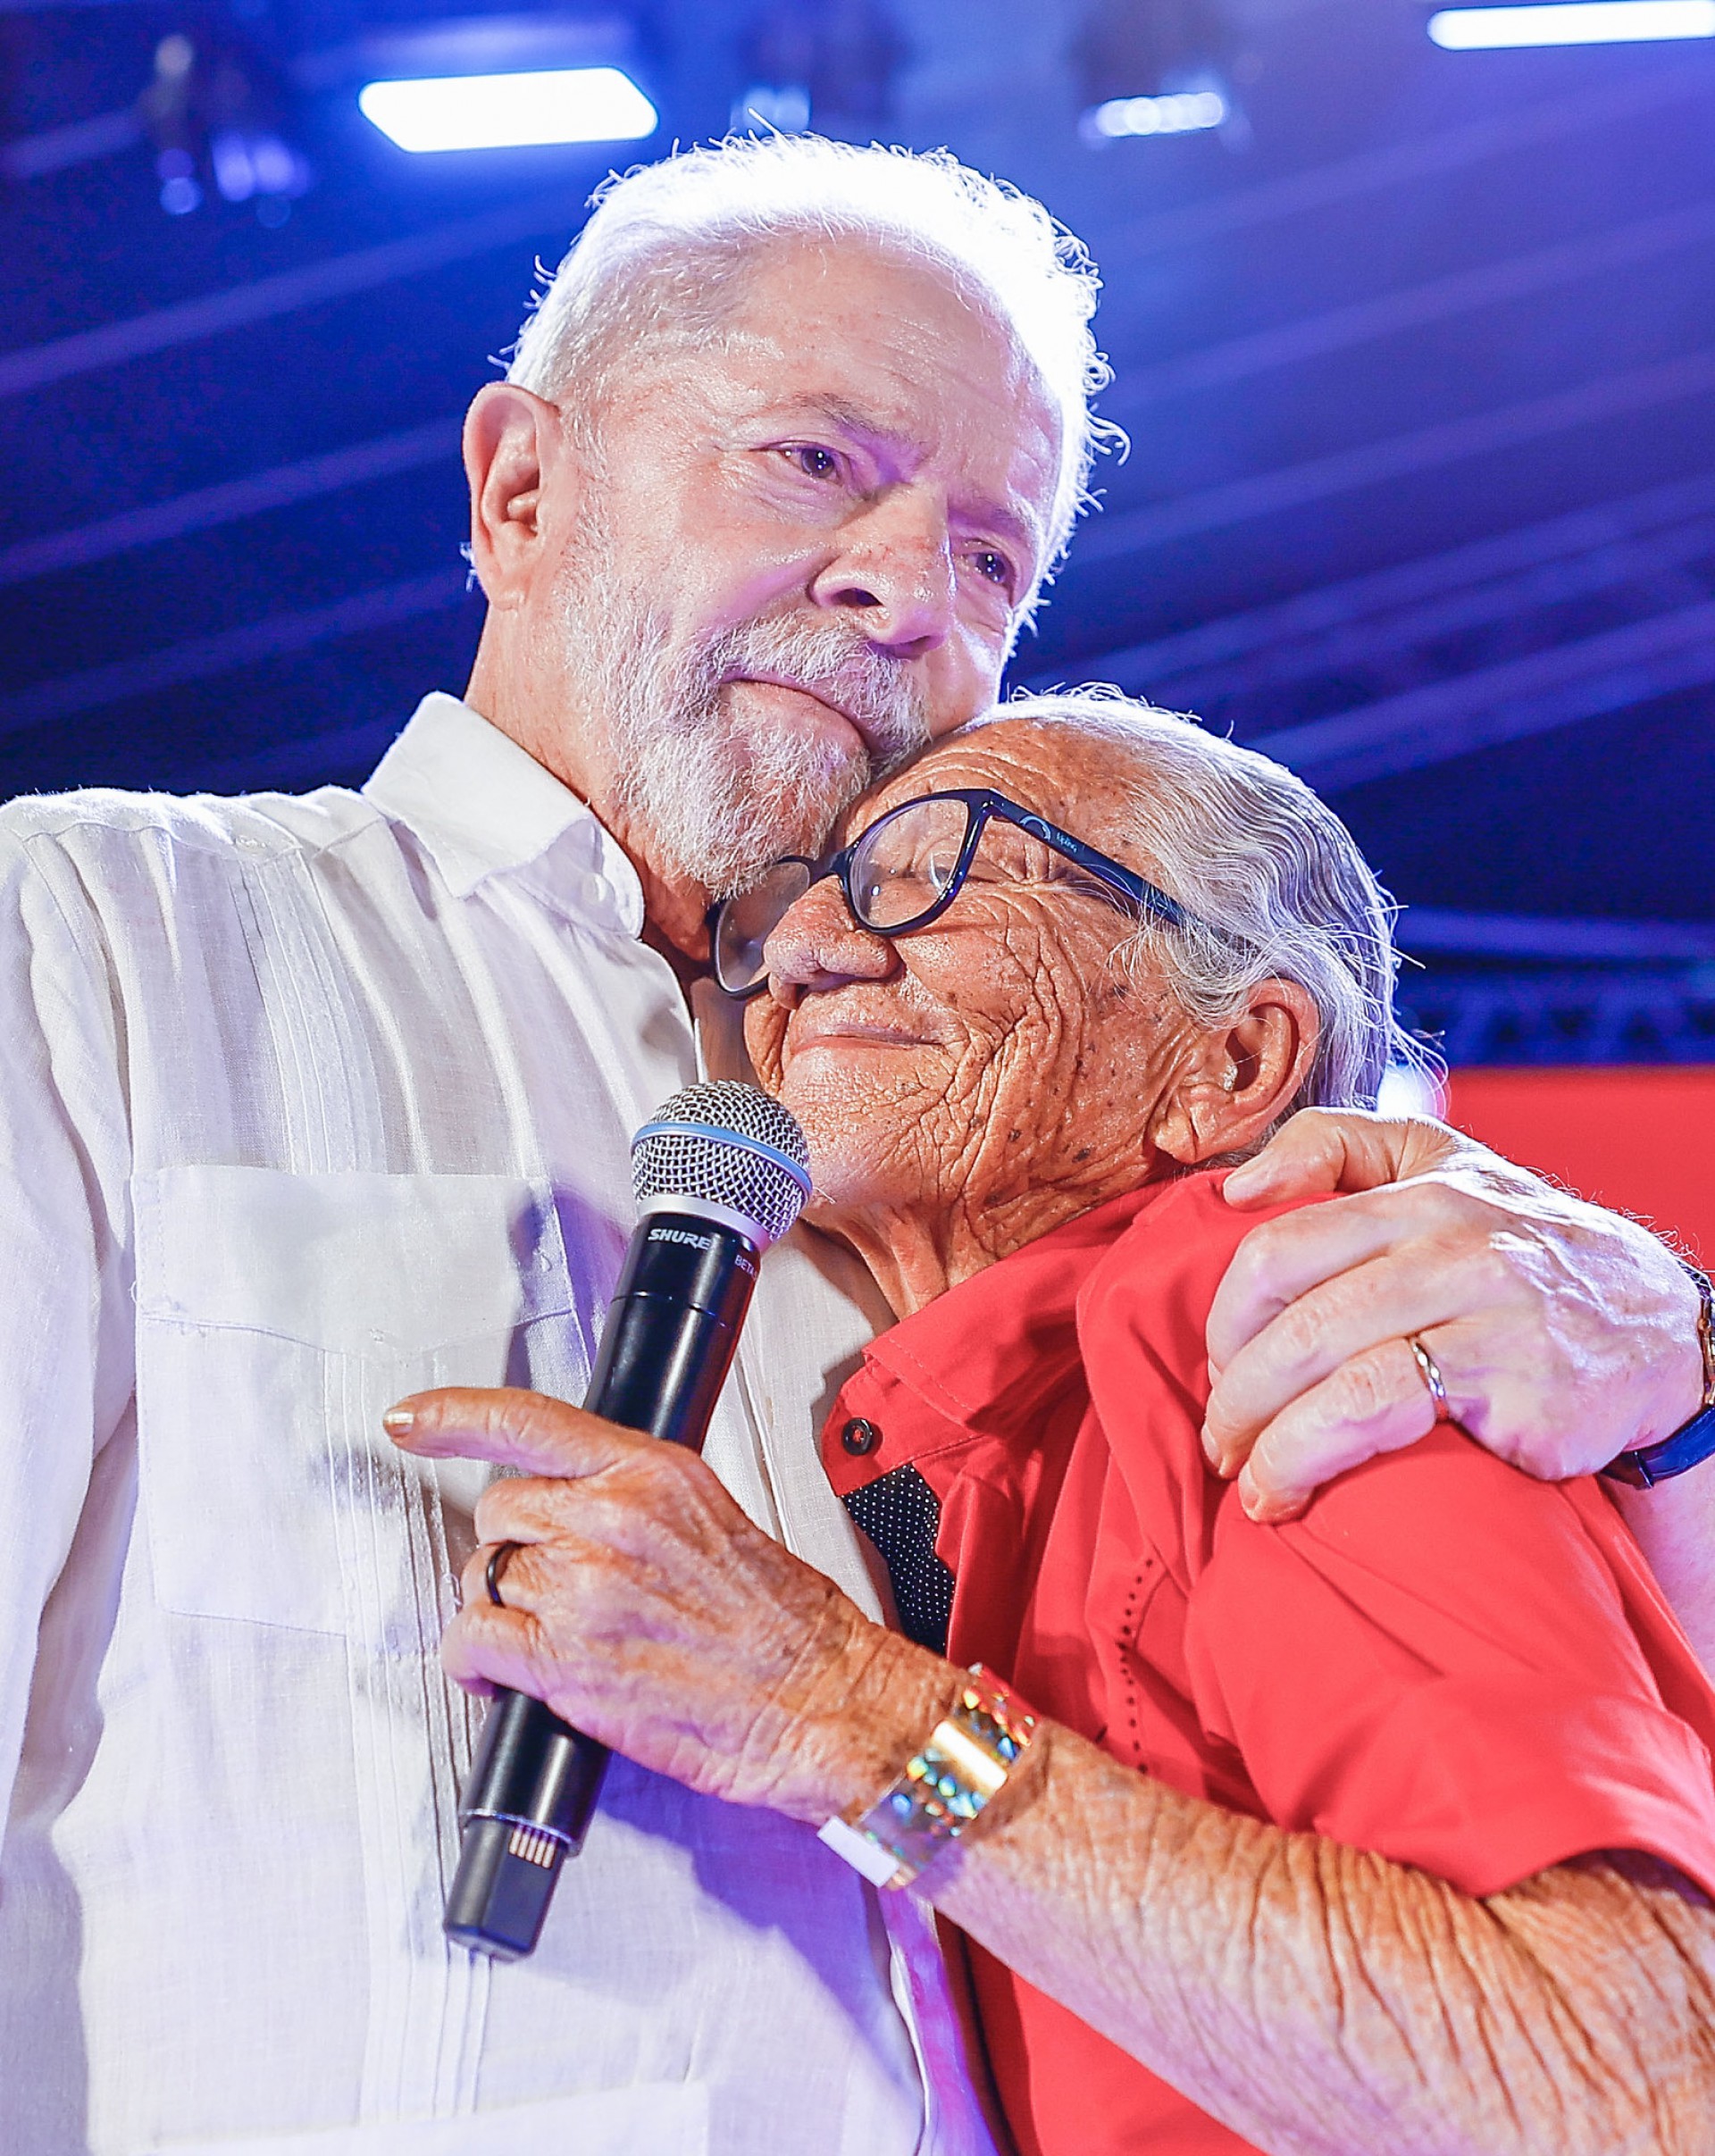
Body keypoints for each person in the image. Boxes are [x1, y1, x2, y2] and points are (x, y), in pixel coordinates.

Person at [0, 131, 1707, 2151]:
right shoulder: (99, 936)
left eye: (996, 553)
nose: (909, 586)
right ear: (518, 488)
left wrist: (1680, 1370)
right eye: (813, 461)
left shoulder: (1018, 1144)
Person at [392, 693, 1715, 2156]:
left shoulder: (1294, 1323)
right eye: (810, 895)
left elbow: (1626, 2086)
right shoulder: (967, 1438)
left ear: (1232, 1064)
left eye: (934, 870)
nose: (809, 951)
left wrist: (841, 1709)